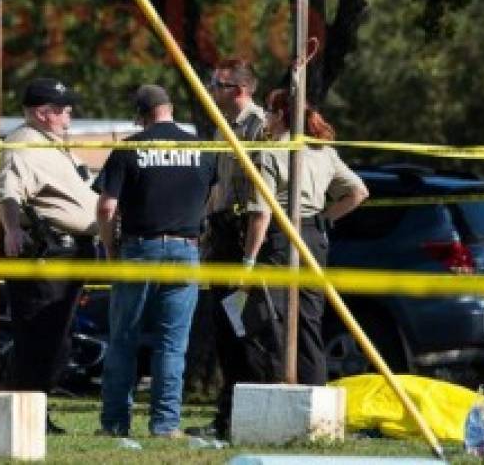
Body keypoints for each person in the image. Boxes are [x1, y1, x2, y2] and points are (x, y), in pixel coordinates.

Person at [97, 85, 214, 439]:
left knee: (123, 339)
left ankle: (116, 424)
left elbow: (106, 207)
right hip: (185, 250)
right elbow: (213, 196)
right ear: (171, 109)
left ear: (140, 115)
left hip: (139, 249)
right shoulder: (201, 149)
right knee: (172, 344)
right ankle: (165, 424)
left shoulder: (129, 148)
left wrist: (110, 250)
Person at [242, 89, 369, 386]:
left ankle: (275, 392)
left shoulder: (271, 153)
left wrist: (247, 261)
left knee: (273, 321)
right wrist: (324, 219)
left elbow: (261, 214)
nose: (266, 119)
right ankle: (314, 391)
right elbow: (359, 192)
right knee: (309, 322)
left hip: (280, 239)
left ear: (281, 116)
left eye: (270, 113)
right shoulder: (323, 151)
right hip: (314, 237)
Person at [0, 77, 98, 435]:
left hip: (70, 253)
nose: (68, 112)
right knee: (39, 336)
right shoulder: (23, 145)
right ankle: (23, 416)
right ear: (43, 113)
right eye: (61, 108)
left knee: (56, 337)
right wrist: (12, 229)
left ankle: (32, 413)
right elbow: (9, 192)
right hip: (47, 253)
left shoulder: (54, 144)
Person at [199, 58, 273, 438]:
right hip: (223, 233)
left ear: (239, 91)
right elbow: (218, 187)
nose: (212, 90)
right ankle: (226, 418)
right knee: (225, 329)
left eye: (218, 84)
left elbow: (263, 195)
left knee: (248, 332)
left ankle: (249, 419)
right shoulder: (222, 127)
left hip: (248, 236)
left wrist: (250, 256)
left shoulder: (260, 127)